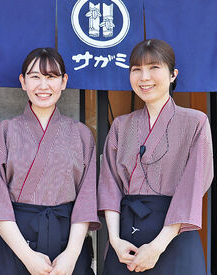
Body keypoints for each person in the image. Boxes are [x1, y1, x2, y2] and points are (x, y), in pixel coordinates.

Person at [0, 47, 100, 275]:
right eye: (35, 77)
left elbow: (86, 202)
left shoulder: (82, 134)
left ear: (64, 81)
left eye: (51, 77)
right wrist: (28, 257)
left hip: (68, 244)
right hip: (16, 243)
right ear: (23, 82)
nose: (43, 86)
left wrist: (71, 255)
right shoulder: (4, 132)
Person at [98, 39, 213, 274]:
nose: (144, 77)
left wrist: (157, 246)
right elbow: (109, 186)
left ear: (173, 75)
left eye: (154, 67)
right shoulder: (120, 125)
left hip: (174, 236)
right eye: (136, 69)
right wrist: (114, 240)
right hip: (125, 241)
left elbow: (192, 188)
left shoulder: (195, 122)